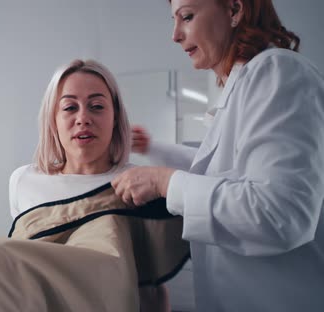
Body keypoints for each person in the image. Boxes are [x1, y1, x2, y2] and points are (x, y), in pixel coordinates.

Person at [112, 0, 324, 311]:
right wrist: (154, 150)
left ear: (235, 10)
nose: (174, 35)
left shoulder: (276, 72)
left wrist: (166, 183)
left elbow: (280, 213)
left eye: (187, 16)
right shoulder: (239, 88)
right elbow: (222, 171)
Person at [9, 59, 177, 312]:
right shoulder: (24, 181)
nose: (83, 118)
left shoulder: (141, 185)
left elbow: (150, 289)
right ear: (52, 118)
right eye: (69, 107)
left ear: (115, 116)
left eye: (97, 106)